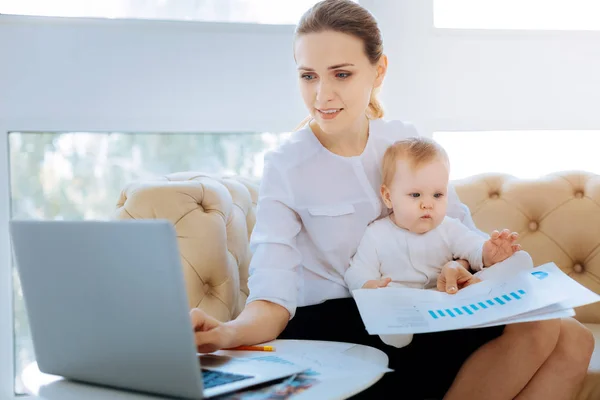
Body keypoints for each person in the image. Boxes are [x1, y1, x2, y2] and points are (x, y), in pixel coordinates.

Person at [190, 1, 594, 399]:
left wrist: (459, 265)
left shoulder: (403, 141)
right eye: (308, 76)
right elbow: (272, 298)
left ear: (378, 70)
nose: (322, 94)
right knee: (541, 329)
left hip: (421, 309)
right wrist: (226, 333)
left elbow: (459, 234)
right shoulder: (287, 164)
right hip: (344, 319)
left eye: (342, 74)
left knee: (575, 338)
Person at [344, 136, 524, 349]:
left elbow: (472, 247)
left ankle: (512, 269)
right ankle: (393, 327)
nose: (428, 204)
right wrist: (369, 286)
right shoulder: (376, 234)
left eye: (438, 195)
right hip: (405, 306)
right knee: (387, 305)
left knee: (517, 259)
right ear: (388, 196)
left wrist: (489, 252)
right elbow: (356, 272)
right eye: (415, 194)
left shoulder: (449, 227)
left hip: (447, 304)